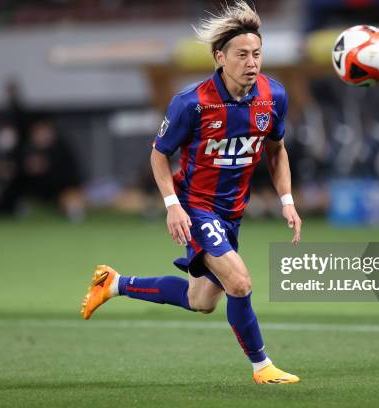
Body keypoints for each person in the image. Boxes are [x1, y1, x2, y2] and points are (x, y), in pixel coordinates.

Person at [80, 1, 302, 384]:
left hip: (232, 213)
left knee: (200, 301)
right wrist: (172, 206)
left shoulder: (273, 96)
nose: (252, 63)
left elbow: (276, 150)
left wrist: (287, 201)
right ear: (220, 57)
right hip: (196, 208)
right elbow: (158, 155)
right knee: (240, 282)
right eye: (242, 55)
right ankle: (262, 367)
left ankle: (113, 283)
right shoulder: (192, 103)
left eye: (257, 54)